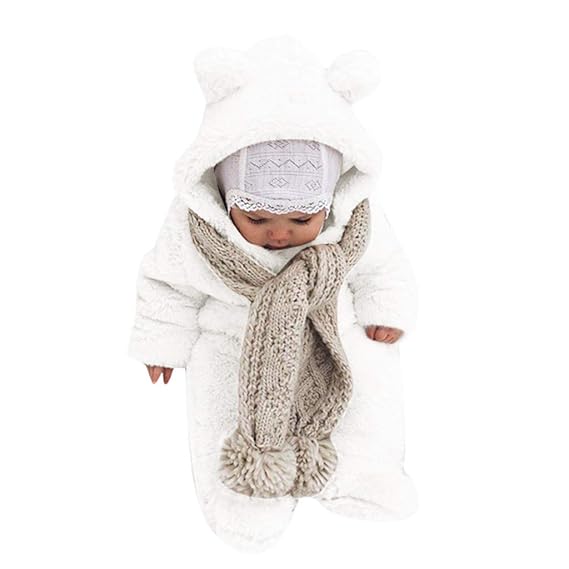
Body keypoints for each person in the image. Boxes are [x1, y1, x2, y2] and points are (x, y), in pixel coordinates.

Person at [128, 35, 418, 552]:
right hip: (231, 338)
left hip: (329, 328)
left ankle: (363, 470)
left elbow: (383, 268)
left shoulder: (353, 223)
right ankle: (244, 493)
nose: (279, 234)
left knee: (368, 390)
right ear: (223, 194)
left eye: (301, 219)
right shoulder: (198, 230)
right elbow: (167, 283)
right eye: (257, 218)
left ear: (328, 202)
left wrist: (386, 310)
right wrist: (162, 343)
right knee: (221, 407)